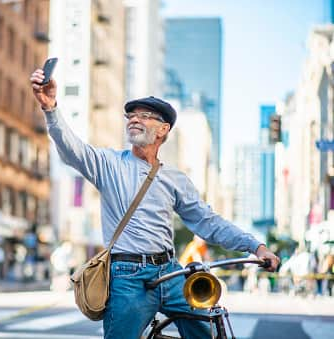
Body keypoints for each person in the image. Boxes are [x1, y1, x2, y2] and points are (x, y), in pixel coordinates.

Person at [30, 67, 280, 339]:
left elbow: (208, 222)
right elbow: (72, 150)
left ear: (163, 129)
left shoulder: (174, 178)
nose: (134, 120)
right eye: (131, 115)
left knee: (206, 330)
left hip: (171, 273)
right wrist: (51, 109)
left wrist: (256, 246)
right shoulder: (109, 164)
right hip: (127, 278)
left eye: (145, 116)